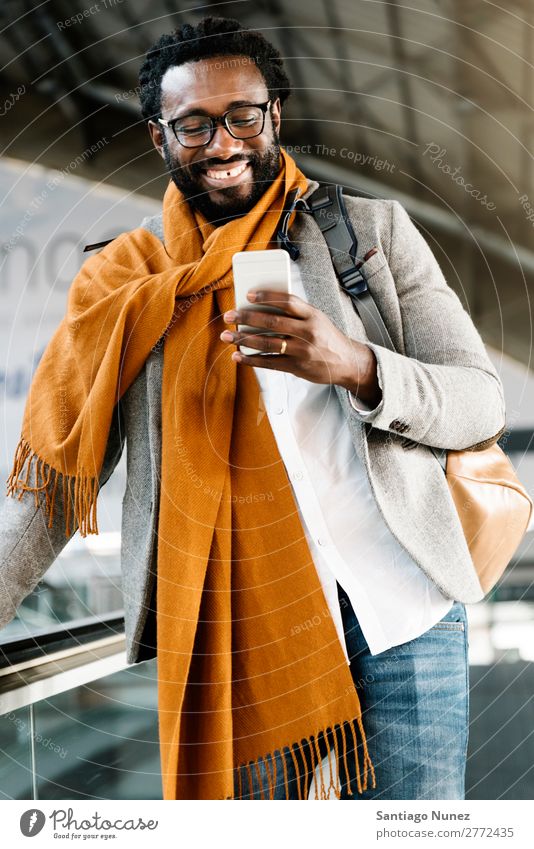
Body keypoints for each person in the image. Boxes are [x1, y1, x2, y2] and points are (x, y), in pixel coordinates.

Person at [0, 16, 506, 801]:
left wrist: (355, 365)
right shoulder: (122, 283)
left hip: (403, 609)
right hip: (232, 626)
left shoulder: (368, 232)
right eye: (193, 124)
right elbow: (57, 473)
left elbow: (478, 401)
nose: (223, 141)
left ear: (275, 115)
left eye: (242, 114)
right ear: (160, 136)